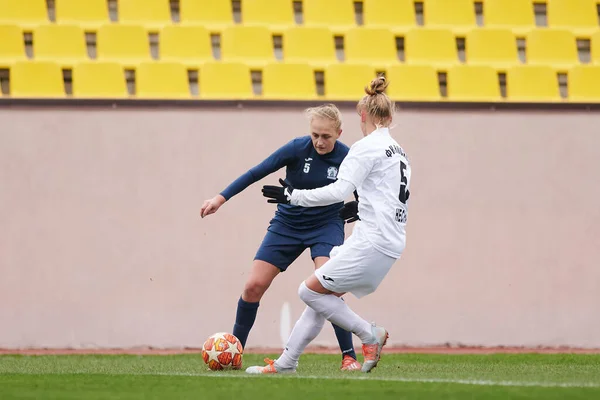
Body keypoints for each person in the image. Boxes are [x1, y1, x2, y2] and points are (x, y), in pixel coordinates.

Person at [247, 76, 411, 374]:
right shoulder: (399, 151)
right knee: (322, 297)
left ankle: (368, 333)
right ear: (389, 117)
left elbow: (336, 191)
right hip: (391, 242)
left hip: (371, 242)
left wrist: (293, 196)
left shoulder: (365, 148)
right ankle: (286, 363)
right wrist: (360, 207)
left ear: (362, 116)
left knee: (308, 291)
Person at [200, 104, 363, 371]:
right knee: (253, 286)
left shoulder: (348, 156)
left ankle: (348, 357)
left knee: (328, 286)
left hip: (326, 225)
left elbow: (364, 189)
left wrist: (360, 207)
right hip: (288, 223)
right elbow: (257, 172)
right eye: (315, 135)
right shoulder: (298, 148)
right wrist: (220, 198)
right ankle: (234, 353)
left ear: (339, 133)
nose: (320, 142)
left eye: (326, 136)